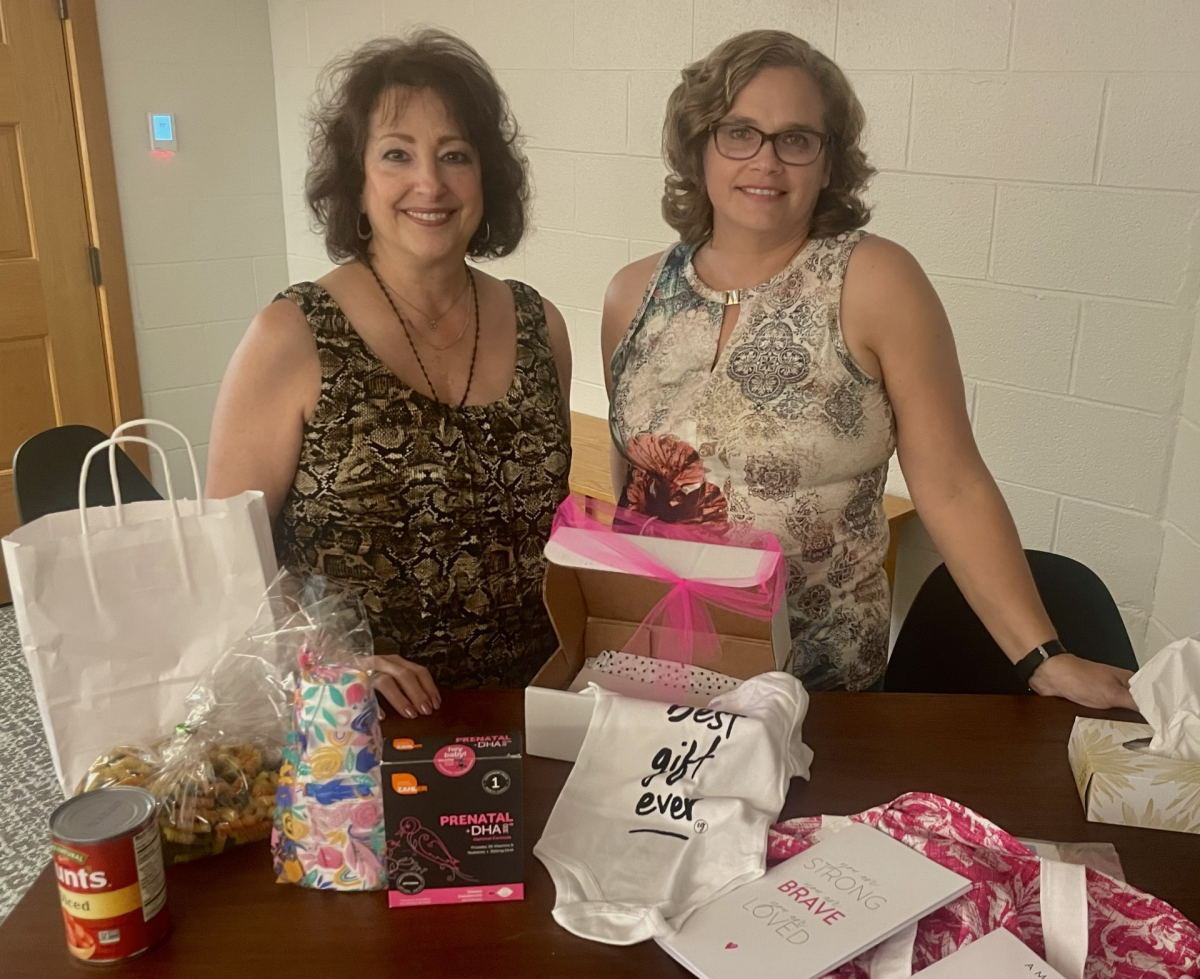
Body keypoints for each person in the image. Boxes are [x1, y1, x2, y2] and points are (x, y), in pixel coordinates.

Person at [601, 30, 1134, 710]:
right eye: (740, 133)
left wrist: (1044, 658)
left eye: (797, 138)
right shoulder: (632, 295)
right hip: (663, 677)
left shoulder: (876, 282)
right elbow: (634, 480)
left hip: (821, 695)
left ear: (829, 162)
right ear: (699, 146)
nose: (767, 161)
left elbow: (952, 482)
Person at [207, 32, 572, 718]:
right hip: (356, 725)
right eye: (397, 154)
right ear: (357, 181)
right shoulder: (291, 336)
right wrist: (335, 661)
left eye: (455, 156)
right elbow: (231, 565)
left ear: (486, 178)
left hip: (530, 706)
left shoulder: (539, 325)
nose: (429, 183)